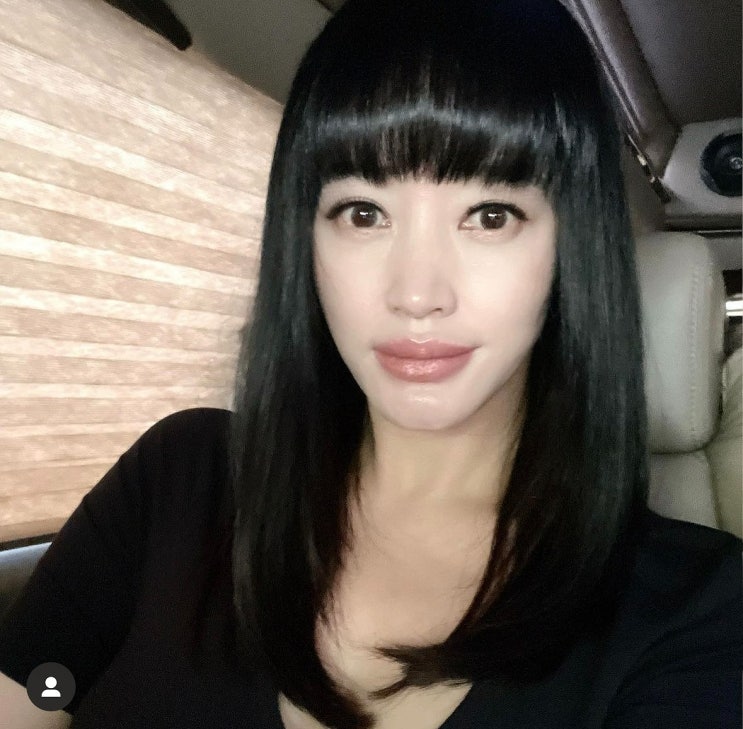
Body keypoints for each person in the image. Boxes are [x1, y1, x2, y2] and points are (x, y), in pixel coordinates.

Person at [0, 0, 740, 727]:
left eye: (490, 216)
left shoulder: (698, 612)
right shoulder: (180, 478)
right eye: (362, 213)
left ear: (570, 250)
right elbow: (38, 693)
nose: (415, 294)